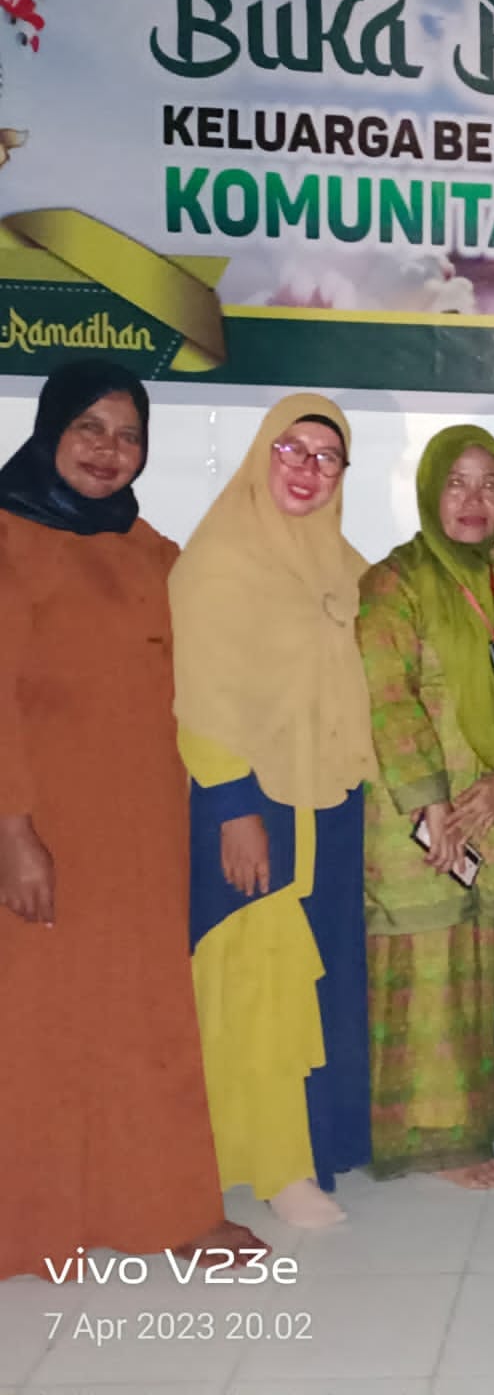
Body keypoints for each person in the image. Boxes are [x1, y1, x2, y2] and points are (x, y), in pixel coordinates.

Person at [0, 361, 261, 1278]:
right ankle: (33, 1227)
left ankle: (166, 1209)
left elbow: (217, 652)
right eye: (90, 428)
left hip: (145, 830)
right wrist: (13, 833)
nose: (110, 451)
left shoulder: (148, 548)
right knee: (39, 1023)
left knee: (148, 1017)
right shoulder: (8, 539)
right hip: (47, 830)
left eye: (129, 435)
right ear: (50, 430)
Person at [172, 394, 375, 1229]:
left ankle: (316, 1144)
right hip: (255, 804)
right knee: (262, 985)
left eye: (327, 457)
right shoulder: (218, 560)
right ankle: (277, 1166)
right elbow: (202, 695)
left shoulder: (342, 563)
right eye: (292, 449)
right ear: (262, 452)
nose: (307, 469)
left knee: (317, 981)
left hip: (329, 802)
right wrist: (233, 805)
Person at [359, 426, 494, 1188]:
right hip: (413, 810)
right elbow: (386, 696)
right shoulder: (392, 582)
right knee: (428, 966)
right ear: (430, 489)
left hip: (490, 805)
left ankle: (478, 1119)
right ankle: (432, 1137)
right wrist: (429, 803)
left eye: (489, 483)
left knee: (483, 963)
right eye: (456, 482)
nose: (473, 499)